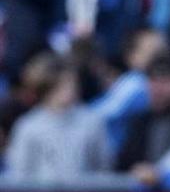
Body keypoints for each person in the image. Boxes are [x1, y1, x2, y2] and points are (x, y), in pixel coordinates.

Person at [5, 53, 112, 182]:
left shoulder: (92, 121)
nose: (70, 89)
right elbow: (19, 173)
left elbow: (103, 167)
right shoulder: (28, 126)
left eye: (72, 83)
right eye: (62, 85)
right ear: (47, 87)